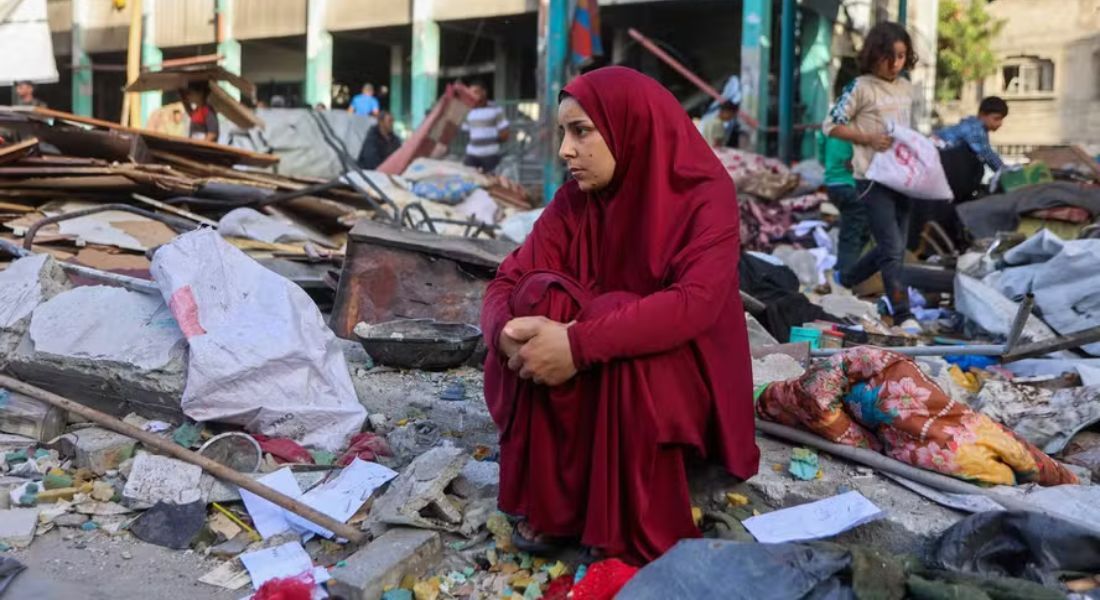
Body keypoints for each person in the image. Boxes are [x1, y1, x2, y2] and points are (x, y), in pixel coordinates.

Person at [481, 66, 759, 565]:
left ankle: (629, 530)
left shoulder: (705, 194)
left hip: (685, 379)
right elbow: (505, 280)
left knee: (609, 310)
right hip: (602, 366)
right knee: (536, 296)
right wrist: (505, 335)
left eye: (581, 131)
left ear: (631, 125)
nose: (566, 149)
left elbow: (693, 303)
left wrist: (576, 345)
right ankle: (557, 509)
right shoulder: (575, 201)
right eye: (564, 132)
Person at [822, 21, 919, 330]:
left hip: (903, 177)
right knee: (891, 246)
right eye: (887, 56)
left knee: (893, 247)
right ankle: (902, 313)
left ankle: (844, 277)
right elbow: (831, 124)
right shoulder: (860, 86)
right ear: (874, 55)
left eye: (901, 56)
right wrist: (868, 138)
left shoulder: (906, 87)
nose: (894, 64)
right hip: (871, 179)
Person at [816, 125, 866, 283]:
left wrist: (831, 165)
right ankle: (846, 277)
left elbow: (820, 142)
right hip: (850, 183)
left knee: (853, 229)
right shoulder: (857, 117)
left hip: (833, 183)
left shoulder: (832, 116)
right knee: (853, 233)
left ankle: (847, 272)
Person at [462, 81, 510, 173]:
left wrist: (492, 141)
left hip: (490, 155)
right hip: (472, 154)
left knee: (491, 183)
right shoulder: (468, 111)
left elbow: (505, 133)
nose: (472, 95)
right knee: (468, 180)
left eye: (476, 92)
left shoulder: (496, 109)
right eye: (470, 93)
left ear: (484, 92)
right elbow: (467, 130)